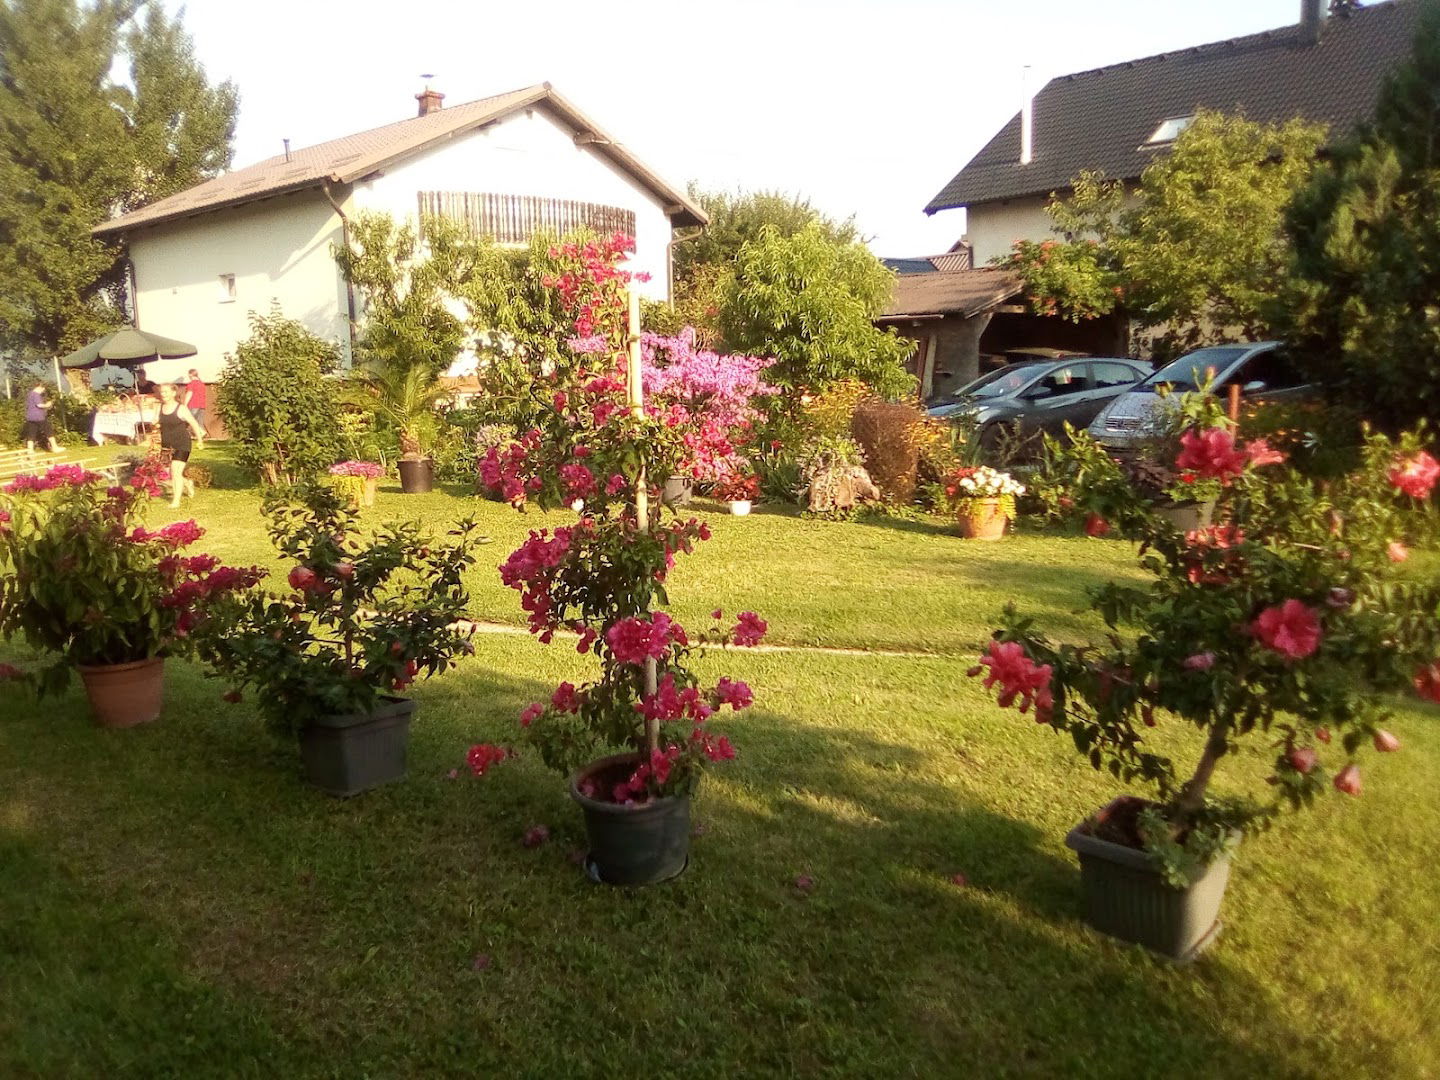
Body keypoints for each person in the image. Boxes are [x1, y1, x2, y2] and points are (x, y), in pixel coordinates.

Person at [156, 382, 205, 509]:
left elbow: (194, 423)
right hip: (166, 445)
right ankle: (187, 482)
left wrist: (200, 440)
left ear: (173, 393)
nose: (163, 394)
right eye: (162, 392)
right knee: (170, 473)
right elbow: (156, 423)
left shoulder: (181, 408)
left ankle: (175, 501)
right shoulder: (160, 407)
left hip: (182, 444)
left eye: (166, 392)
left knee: (175, 471)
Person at [22, 382, 61, 456]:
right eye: (43, 389)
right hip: (39, 416)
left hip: (30, 417)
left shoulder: (30, 394)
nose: (43, 391)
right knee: (48, 431)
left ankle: (30, 450)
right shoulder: (36, 395)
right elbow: (39, 405)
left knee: (31, 433)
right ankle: (55, 447)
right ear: (40, 387)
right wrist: (47, 405)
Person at [182, 369, 208, 436]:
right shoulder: (202, 384)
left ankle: (184, 434)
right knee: (199, 421)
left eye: (188, 374)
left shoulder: (191, 384)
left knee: (188, 419)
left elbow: (189, 394)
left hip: (193, 404)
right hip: (202, 405)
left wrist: (185, 404)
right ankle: (201, 434)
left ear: (190, 374)